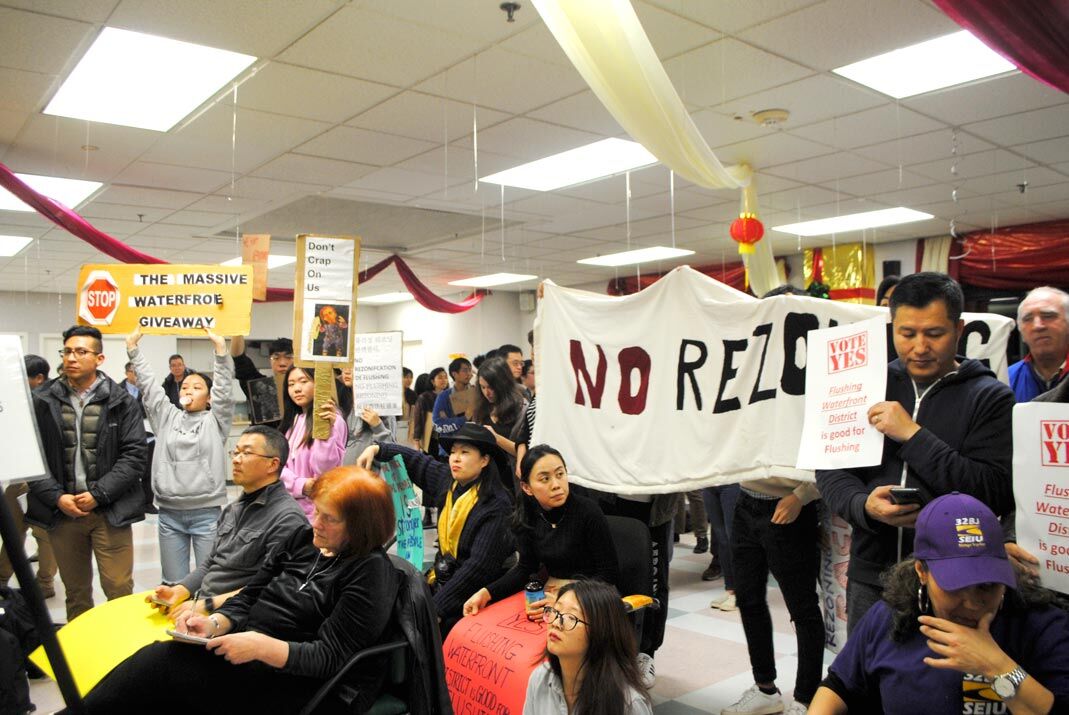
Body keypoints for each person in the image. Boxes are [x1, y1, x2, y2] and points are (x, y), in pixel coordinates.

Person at [78, 466, 400, 714]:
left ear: (360, 527)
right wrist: (215, 623)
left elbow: (331, 658)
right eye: (316, 511)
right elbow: (249, 595)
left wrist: (260, 647)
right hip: (252, 653)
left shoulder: (370, 572)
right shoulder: (302, 540)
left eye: (329, 518)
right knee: (158, 665)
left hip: (302, 681)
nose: (315, 522)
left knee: (161, 668)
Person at [816, 272, 1015, 632]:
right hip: (870, 573)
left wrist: (912, 434)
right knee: (866, 679)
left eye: (934, 334)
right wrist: (864, 505)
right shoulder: (865, 382)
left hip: (953, 581)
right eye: (906, 334)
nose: (919, 347)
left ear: (959, 328)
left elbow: (994, 490)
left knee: (939, 683)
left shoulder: (990, 396)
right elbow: (830, 469)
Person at [809, 493, 1069, 715]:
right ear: (922, 571)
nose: (972, 603)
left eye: (987, 586)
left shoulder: (1041, 626)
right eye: (955, 585)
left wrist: (996, 666)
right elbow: (839, 685)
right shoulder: (891, 617)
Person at [27, 325, 147, 621]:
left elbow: (134, 457)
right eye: (67, 351)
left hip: (110, 511)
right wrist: (56, 497)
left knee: (119, 588)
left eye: (81, 352)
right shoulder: (42, 400)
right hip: (63, 513)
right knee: (76, 593)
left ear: (100, 358)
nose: (72, 358)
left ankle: (122, 659)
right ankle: (81, 663)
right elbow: (33, 456)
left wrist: (98, 494)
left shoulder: (122, 402)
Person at [357, 422, 514, 634]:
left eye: (465, 452)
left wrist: (434, 609)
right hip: (442, 578)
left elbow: (477, 569)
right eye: (452, 452)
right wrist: (377, 449)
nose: (455, 458)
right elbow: (417, 461)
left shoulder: (497, 505)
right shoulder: (448, 481)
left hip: (475, 594)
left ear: (484, 460)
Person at [147, 426, 309, 621]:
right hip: (202, 607)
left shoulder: (287, 518)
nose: (236, 459)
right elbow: (211, 562)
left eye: (246, 453)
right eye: (236, 451)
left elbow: (274, 586)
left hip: (233, 619)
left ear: (272, 464)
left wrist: (207, 606)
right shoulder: (233, 509)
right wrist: (181, 590)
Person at [127, 328, 235, 583]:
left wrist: (220, 352)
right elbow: (150, 388)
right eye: (185, 386)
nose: (189, 390)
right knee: (173, 582)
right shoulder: (166, 417)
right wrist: (133, 349)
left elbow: (224, 393)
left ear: (208, 399)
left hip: (207, 513)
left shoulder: (215, 421)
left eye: (197, 387)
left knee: (209, 581)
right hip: (169, 513)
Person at [463, 445, 618, 618]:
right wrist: (486, 593)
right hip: (552, 594)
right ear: (527, 488)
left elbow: (608, 574)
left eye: (560, 474)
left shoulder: (588, 511)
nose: (556, 485)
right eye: (545, 479)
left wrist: (565, 600)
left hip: (592, 598)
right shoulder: (528, 516)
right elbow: (525, 568)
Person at [523, 580, 652, 715]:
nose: (556, 623)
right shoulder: (540, 678)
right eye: (555, 610)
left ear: (601, 631)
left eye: (571, 617)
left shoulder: (629, 705)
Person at [0, 355, 58, 598]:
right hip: (20, 477)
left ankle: (44, 584)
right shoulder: (21, 400)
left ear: (38, 378)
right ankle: (3, 579)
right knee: (13, 530)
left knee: (43, 534)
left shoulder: (48, 402)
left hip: (42, 479)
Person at [279, 366, 348, 521]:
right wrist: (300, 485)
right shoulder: (293, 422)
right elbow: (279, 467)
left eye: (303, 381)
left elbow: (325, 468)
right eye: (291, 384)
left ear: (320, 383)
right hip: (291, 511)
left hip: (317, 514)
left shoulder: (333, 420)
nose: (297, 389)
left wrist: (325, 434)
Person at [1008, 286, 1069, 402]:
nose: (1037, 326)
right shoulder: (1007, 380)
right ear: (1021, 331)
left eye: (1048, 316)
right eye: (1028, 319)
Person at [230, 336, 294, 429]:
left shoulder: (308, 388)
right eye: (276, 357)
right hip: (263, 441)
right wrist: (238, 328)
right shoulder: (262, 387)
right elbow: (238, 357)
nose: (282, 363)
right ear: (270, 360)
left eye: (289, 357)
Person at [472, 355, 526, 459]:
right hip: (486, 470)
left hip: (509, 471)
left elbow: (524, 453)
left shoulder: (521, 409)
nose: (486, 393)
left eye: (491, 387)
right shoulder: (482, 407)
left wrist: (496, 438)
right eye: (483, 387)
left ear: (503, 383)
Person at [339, 367, 395, 465]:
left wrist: (378, 427)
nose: (346, 371)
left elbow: (392, 453)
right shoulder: (343, 404)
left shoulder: (382, 410)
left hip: (370, 477)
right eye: (345, 366)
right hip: (346, 476)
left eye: (355, 366)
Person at [432, 357, 475, 449]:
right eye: (465, 370)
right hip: (450, 448)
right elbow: (438, 425)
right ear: (454, 374)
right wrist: (465, 418)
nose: (469, 374)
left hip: (474, 445)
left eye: (470, 370)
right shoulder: (444, 397)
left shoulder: (476, 393)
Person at [411, 367, 447, 453]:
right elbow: (418, 419)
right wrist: (416, 440)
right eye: (440, 377)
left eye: (445, 377)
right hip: (432, 438)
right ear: (432, 381)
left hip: (447, 437)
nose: (444, 380)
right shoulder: (425, 397)